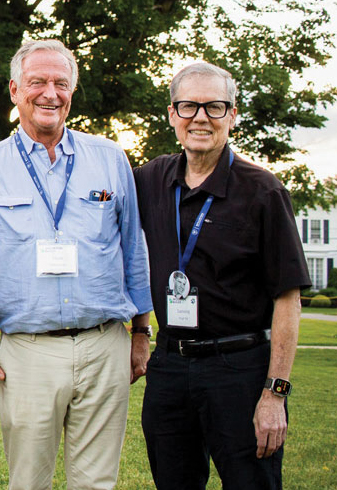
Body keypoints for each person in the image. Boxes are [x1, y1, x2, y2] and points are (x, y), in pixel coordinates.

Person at [0, 39, 153, 490]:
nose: (50, 93)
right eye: (37, 82)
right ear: (14, 90)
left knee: (97, 483)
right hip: (27, 351)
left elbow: (133, 250)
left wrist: (142, 333)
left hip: (105, 343)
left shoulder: (111, 158)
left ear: (71, 91)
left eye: (60, 83)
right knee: (28, 482)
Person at [134, 62, 310, 489]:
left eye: (214, 107)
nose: (200, 117)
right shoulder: (151, 180)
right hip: (170, 367)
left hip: (241, 371)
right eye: (189, 106)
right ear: (172, 114)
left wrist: (274, 394)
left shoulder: (263, 191)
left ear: (232, 115)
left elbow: (288, 299)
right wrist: (140, 331)